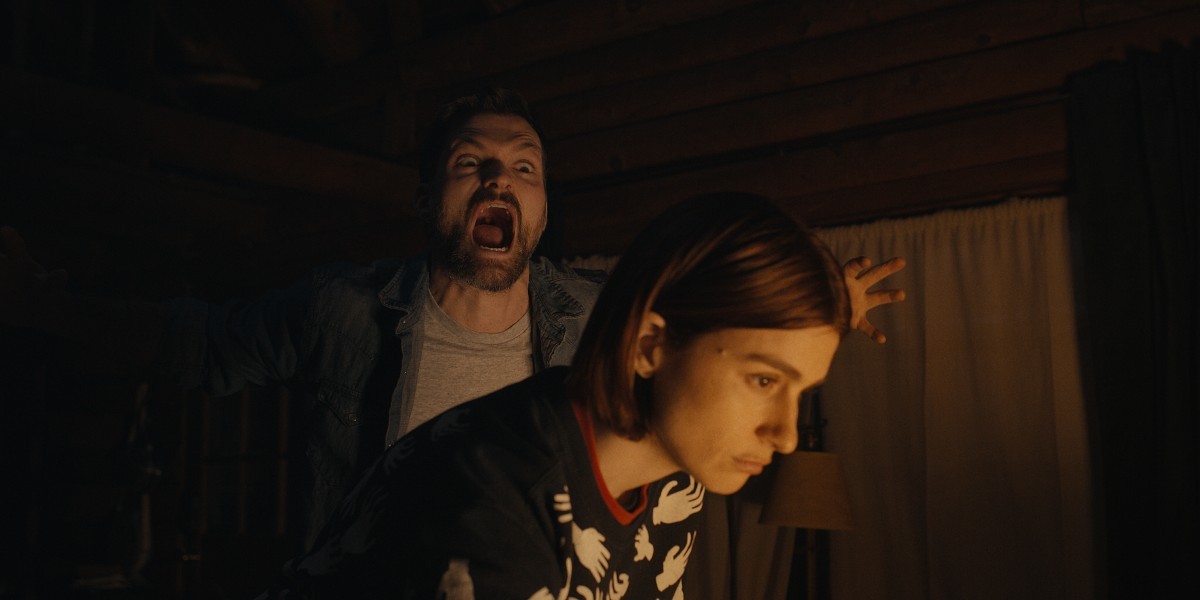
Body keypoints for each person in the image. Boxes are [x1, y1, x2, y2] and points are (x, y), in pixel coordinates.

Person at [0, 87, 903, 559]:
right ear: (427, 197)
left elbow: (705, 311)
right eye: (472, 164)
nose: (500, 179)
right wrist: (50, 307)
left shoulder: (598, 317)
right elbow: (194, 344)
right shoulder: (342, 311)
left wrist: (825, 303)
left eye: (524, 168)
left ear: (542, 208)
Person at [257, 192, 852, 599]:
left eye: (800, 389)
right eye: (765, 381)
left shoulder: (676, 475)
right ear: (649, 345)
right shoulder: (493, 503)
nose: (786, 435)